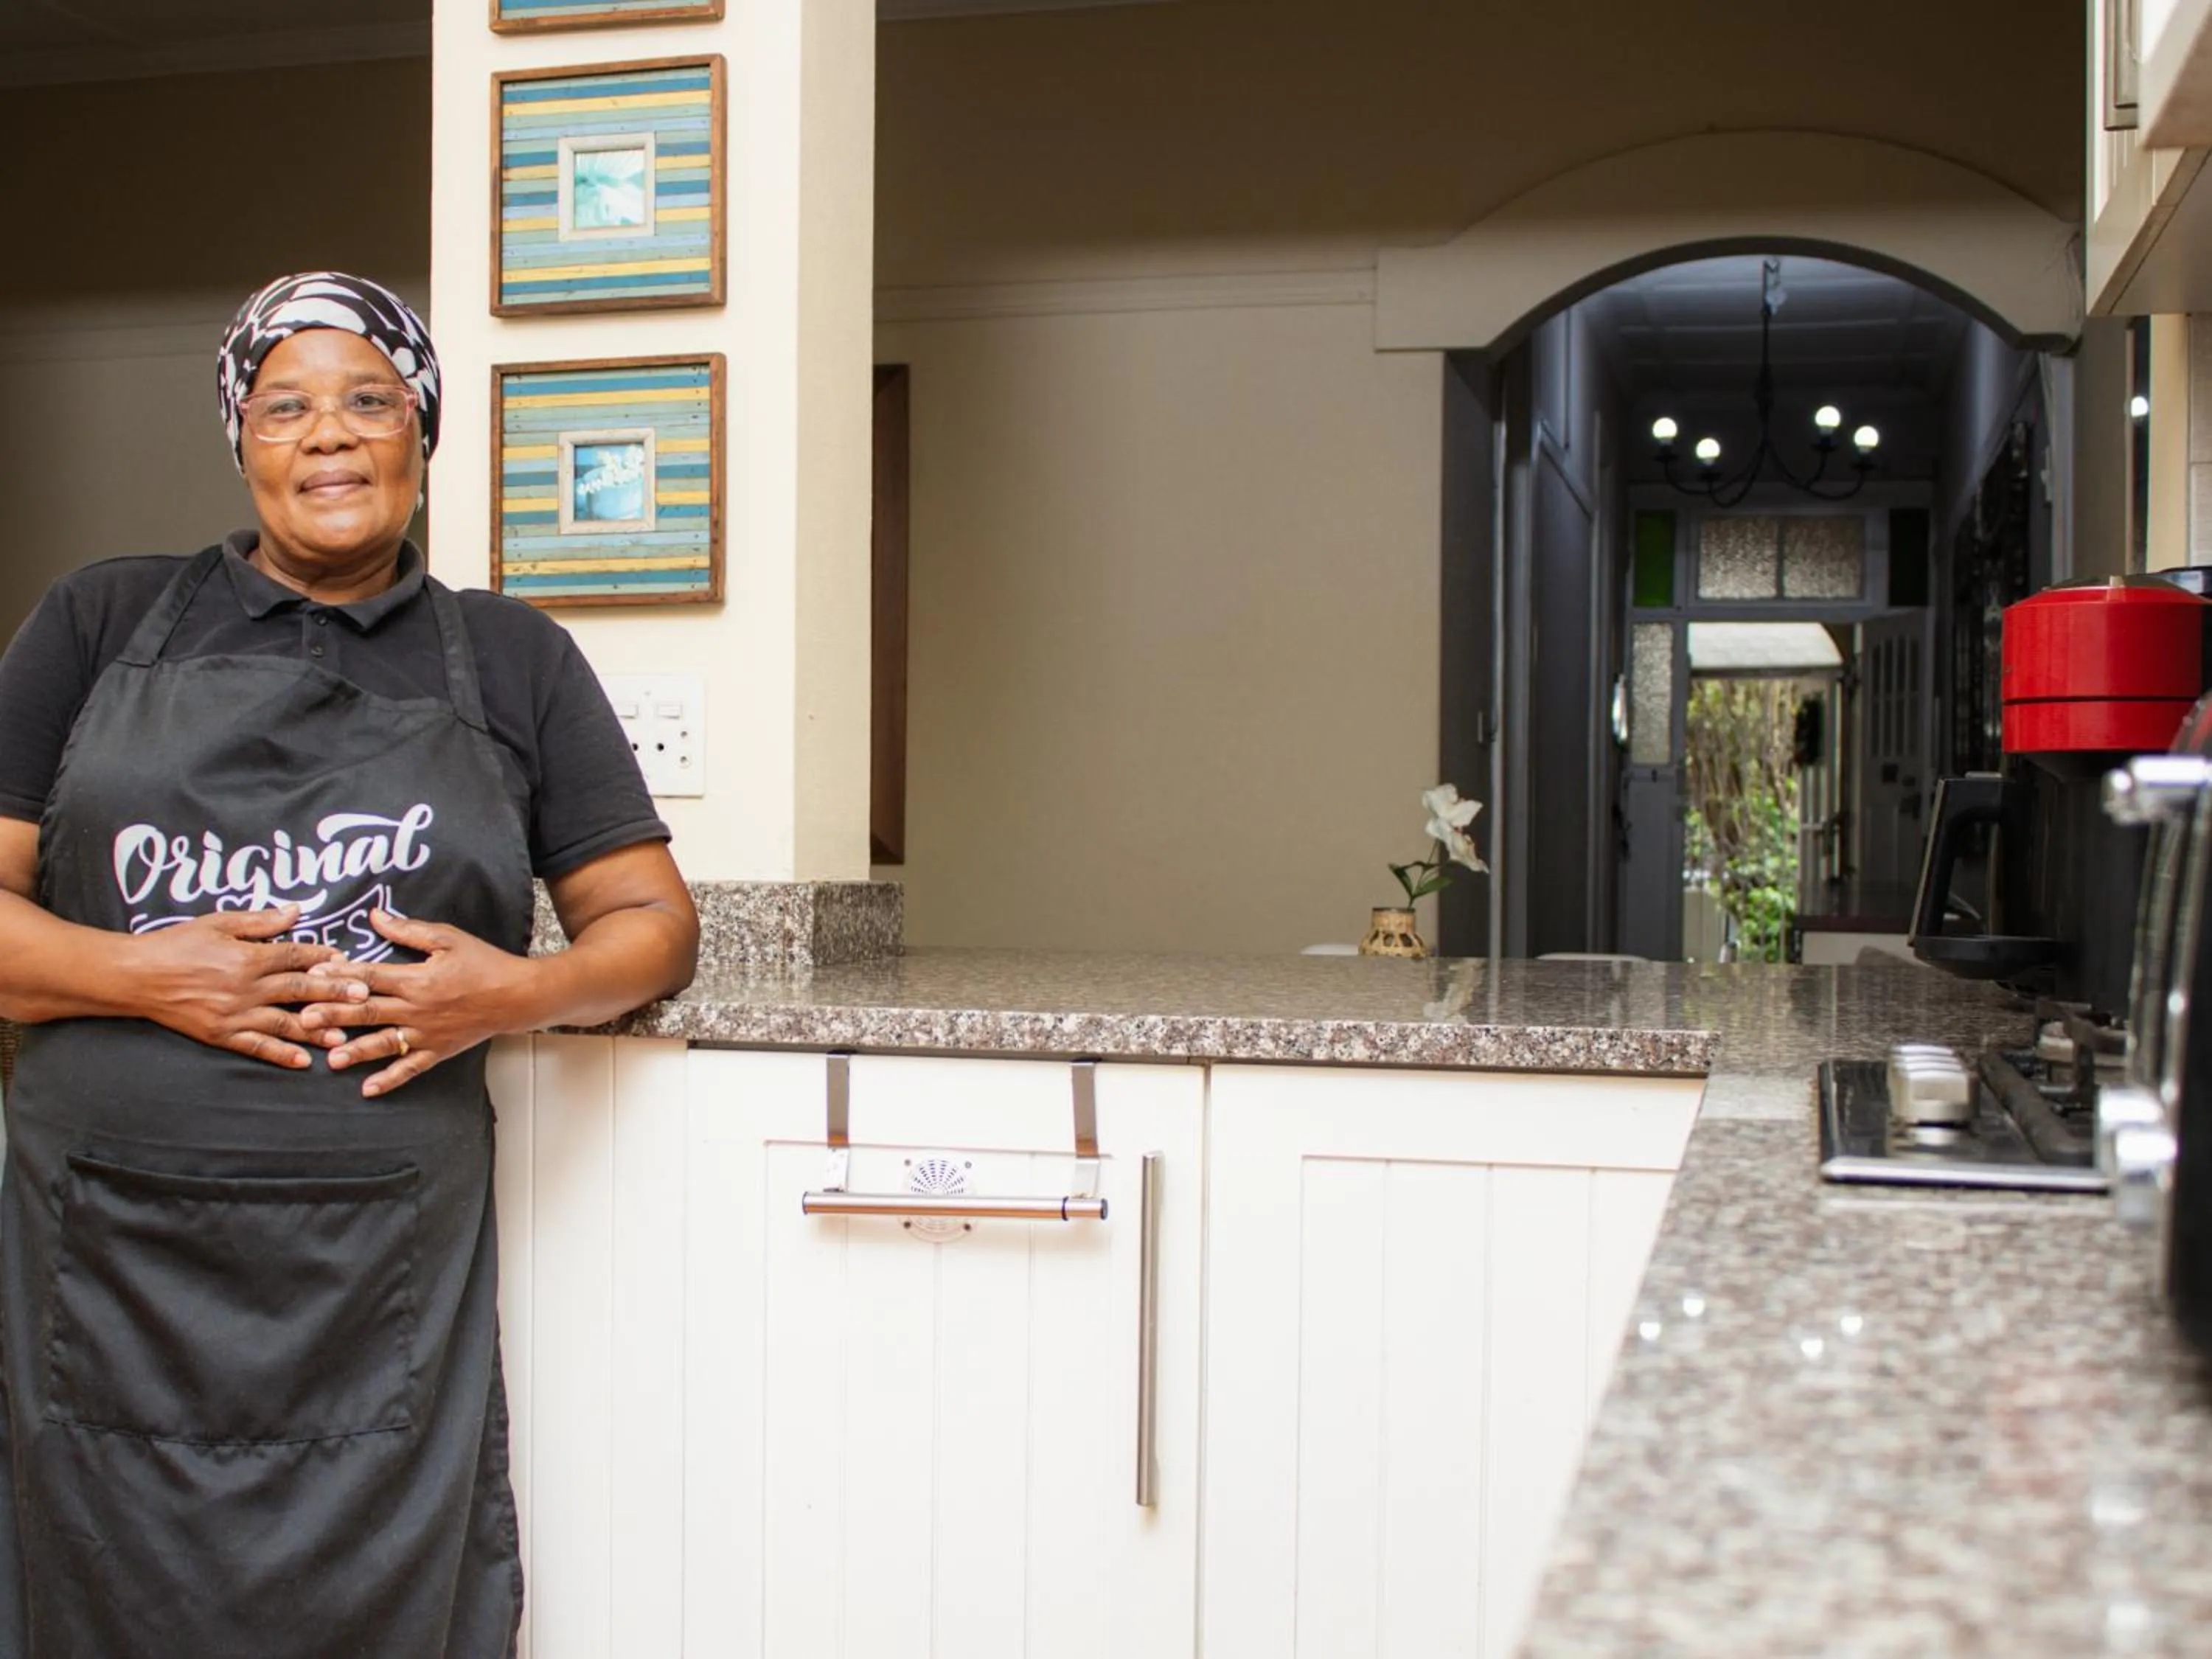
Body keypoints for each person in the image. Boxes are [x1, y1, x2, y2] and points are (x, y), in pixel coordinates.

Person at [0, 271, 699, 1656]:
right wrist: (153, 976)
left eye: (369, 400)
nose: (328, 433)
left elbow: (652, 923)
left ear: (420, 434)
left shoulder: (512, 656)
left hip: (375, 1265)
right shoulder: (99, 623)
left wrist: (515, 991)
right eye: (285, 407)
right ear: (242, 441)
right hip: (110, 1260)